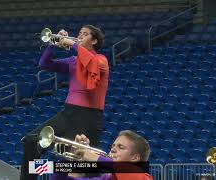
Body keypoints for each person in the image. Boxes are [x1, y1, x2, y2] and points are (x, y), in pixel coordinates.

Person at [20, 25, 109, 180]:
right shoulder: (73, 61)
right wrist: (52, 44)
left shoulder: (101, 60)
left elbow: (91, 62)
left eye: (85, 34)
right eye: (79, 33)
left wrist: (72, 43)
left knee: (83, 165)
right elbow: (44, 64)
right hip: (68, 113)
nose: (80, 36)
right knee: (31, 141)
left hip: (88, 117)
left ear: (94, 40)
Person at [52, 130, 153, 180]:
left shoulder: (142, 176)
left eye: (121, 147)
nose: (113, 149)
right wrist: (72, 161)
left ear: (135, 158)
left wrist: (92, 156)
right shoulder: (106, 178)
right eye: (113, 146)